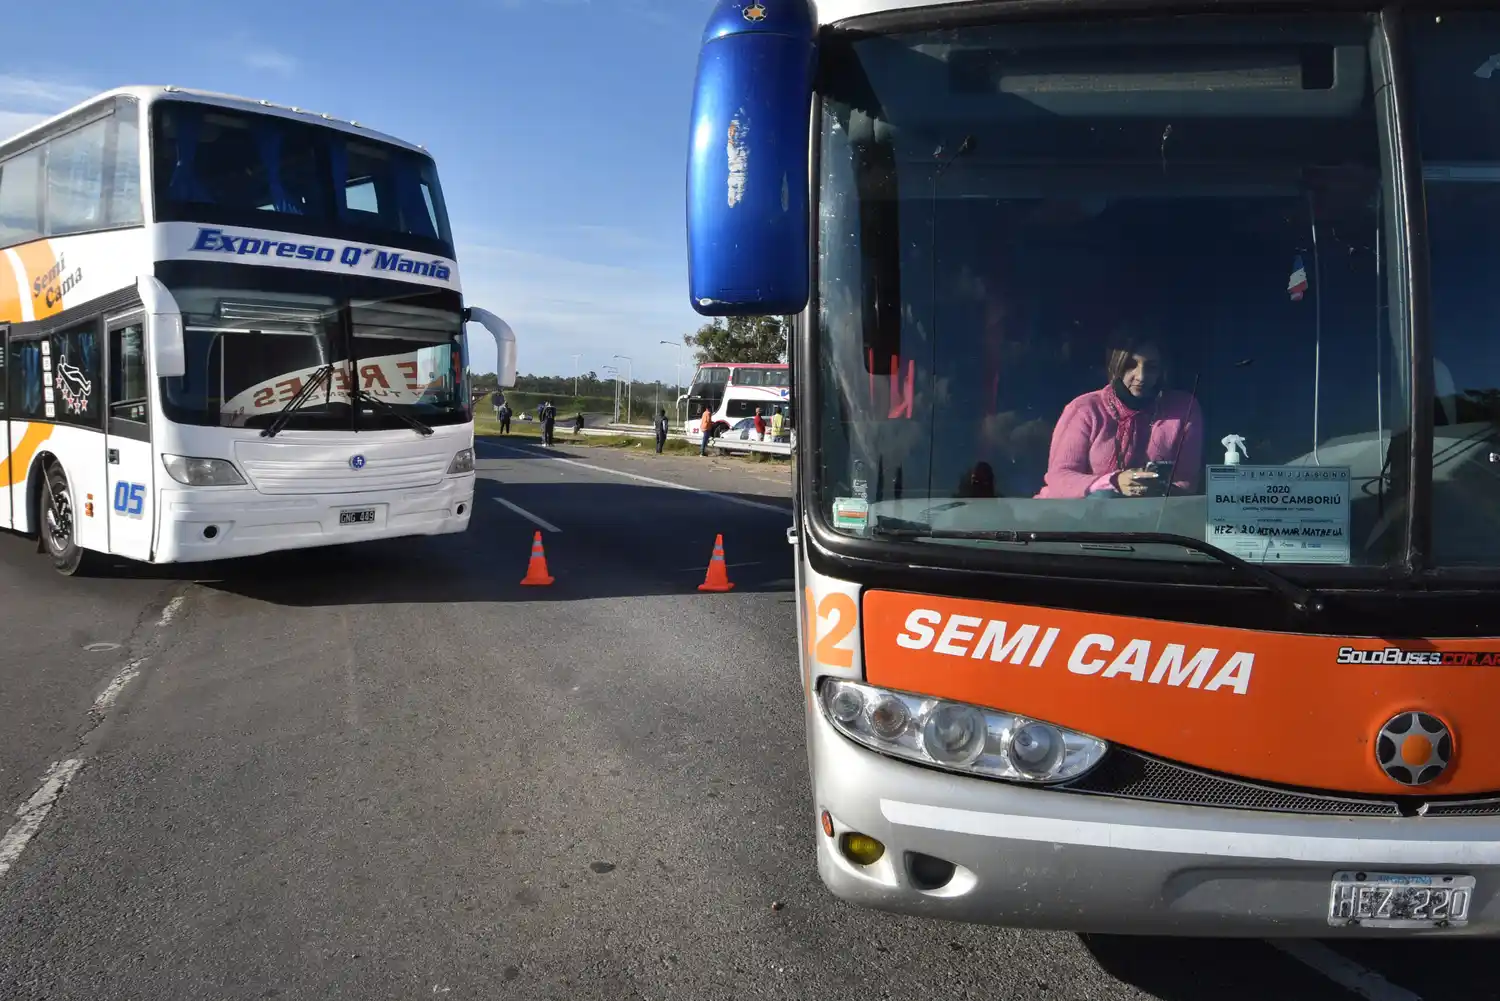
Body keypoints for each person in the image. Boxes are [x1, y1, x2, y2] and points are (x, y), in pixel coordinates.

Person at [1035, 332, 1203, 499]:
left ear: (1162, 370)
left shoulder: (1184, 409)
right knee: (1104, 497)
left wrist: (1153, 490)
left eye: (1151, 367)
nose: (1141, 376)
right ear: (1116, 364)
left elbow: (1186, 481)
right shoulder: (1085, 409)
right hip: (1066, 517)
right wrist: (1114, 482)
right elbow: (1059, 478)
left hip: (1147, 519)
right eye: (1131, 365)